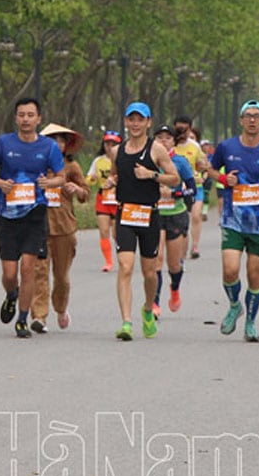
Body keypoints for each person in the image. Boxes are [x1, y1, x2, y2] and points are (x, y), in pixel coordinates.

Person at [0, 98, 65, 339]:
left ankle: (22, 318)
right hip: (7, 215)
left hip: (35, 214)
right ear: (16, 118)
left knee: (28, 268)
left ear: (39, 119)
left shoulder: (48, 147)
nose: (26, 119)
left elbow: (61, 177)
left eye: (30, 115)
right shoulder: (3, 143)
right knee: (10, 274)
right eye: (21, 115)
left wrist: (50, 182)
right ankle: (11, 295)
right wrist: (0, 183)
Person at [211, 101, 259, 342]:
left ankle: (250, 322)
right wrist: (223, 178)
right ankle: (234, 305)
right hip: (233, 219)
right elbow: (208, 171)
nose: (252, 120)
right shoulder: (227, 146)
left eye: (257, 116)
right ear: (241, 120)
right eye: (248, 116)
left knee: (254, 276)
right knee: (230, 270)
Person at [111, 102, 180, 341]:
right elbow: (115, 174)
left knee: (150, 273)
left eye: (140, 119)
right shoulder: (117, 151)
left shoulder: (157, 149)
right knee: (126, 267)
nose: (135, 124)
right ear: (126, 122)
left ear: (148, 122)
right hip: (125, 215)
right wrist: (112, 182)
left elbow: (175, 178)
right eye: (131, 119)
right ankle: (127, 322)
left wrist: (151, 175)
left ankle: (148, 308)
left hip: (149, 215)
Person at [31, 123, 90, 331]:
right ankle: (39, 316)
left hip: (64, 227)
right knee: (39, 271)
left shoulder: (71, 167)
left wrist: (77, 189)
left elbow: (86, 193)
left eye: (61, 140)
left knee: (61, 276)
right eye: (53, 140)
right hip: (38, 225)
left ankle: (61, 307)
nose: (57, 144)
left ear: (67, 145)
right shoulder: (35, 164)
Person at [152, 125, 196, 317]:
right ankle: (154, 302)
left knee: (174, 264)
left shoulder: (180, 162)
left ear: (174, 142)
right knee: (157, 260)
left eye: (167, 138)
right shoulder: (149, 161)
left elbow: (192, 190)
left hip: (176, 214)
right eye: (159, 137)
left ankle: (175, 288)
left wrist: (174, 192)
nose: (163, 141)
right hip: (155, 214)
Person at [173, 115, 209, 258]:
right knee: (181, 221)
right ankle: (180, 249)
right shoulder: (169, 144)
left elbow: (203, 164)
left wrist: (201, 169)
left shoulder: (194, 146)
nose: (182, 133)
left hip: (194, 187)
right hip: (175, 189)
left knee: (195, 215)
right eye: (178, 129)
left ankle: (194, 246)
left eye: (185, 130)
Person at [86, 131, 122, 271]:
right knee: (104, 230)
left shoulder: (122, 159)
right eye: (107, 143)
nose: (110, 146)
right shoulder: (98, 161)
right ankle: (108, 262)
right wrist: (92, 178)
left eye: (113, 144)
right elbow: (88, 180)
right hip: (103, 198)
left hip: (118, 198)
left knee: (116, 233)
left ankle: (122, 257)